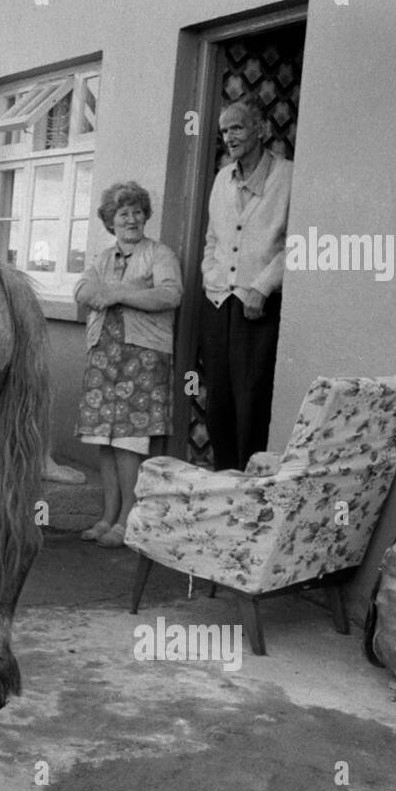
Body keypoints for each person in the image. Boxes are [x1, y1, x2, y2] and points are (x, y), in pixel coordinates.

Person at [74, 182, 182, 548]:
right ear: (111, 221)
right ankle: (107, 516)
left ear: (145, 216)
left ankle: (127, 521)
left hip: (143, 357)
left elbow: (170, 294)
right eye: (123, 214)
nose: (131, 219)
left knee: (130, 442)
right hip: (105, 355)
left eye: (137, 212)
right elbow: (83, 291)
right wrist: (100, 292)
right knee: (105, 439)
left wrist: (118, 293)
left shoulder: (160, 254)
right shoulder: (102, 259)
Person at [199, 98, 293, 471]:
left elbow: (298, 241)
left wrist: (264, 285)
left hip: (258, 306)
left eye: (237, 127)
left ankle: (250, 485)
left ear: (261, 129)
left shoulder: (287, 176)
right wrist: (211, 276)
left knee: (251, 401)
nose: (229, 137)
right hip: (219, 302)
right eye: (224, 131)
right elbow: (212, 239)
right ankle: (225, 481)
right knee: (219, 401)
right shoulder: (223, 177)